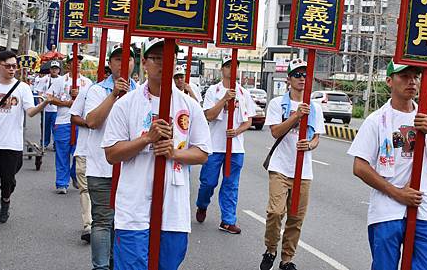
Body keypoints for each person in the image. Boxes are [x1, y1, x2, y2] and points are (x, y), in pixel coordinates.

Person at [102, 37, 212, 270]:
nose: (164, 64)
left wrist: (174, 153)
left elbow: (202, 152)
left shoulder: (189, 105)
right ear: (145, 62)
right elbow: (111, 154)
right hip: (134, 206)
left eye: (170, 58)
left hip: (173, 208)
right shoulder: (127, 104)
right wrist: (146, 139)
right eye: (157, 58)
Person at [347, 61, 427, 270]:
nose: (411, 81)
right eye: (404, 76)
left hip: (424, 209)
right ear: (389, 81)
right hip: (387, 210)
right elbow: (360, 166)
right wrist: (397, 193)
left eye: (415, 77)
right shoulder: (376, 120)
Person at [0, 50, 49, 233]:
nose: (12, 69)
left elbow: (30, 112)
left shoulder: (23, 88)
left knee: (8, 181)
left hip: (12, 144)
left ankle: (6, 200)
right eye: (8, 66)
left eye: (15, 66)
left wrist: (44, 103)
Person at [259, 58, 325, 270]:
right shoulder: (277, 103)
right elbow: (275, 131)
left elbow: (316, 137)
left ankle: (287, 259)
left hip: (304, 171)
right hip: (280, 167)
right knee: (276, 212)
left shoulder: (315, 107)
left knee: (296, 217)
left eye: (306, 75)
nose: (302, 79)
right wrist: (296, 116)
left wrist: (310, 145)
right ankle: (270, 248)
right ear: (288, 79)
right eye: (297, 75)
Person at [84, 43, 136, 270]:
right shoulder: (96, 90)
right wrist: (114, 94)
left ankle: (117, 263)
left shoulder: (141, 92)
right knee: (103, 221)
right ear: (110, 63)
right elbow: (92, 122)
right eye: (118, 59)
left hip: (132, 170)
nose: (124, 64)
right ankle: (101, 267)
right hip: (102, 167)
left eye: (129, 59)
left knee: (125, 223)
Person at [195, 55, 255, 234]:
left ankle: (228, 220)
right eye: (228, 66)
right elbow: (208, 115)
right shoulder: (214, 90)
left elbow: (249, 121)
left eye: (235, 66)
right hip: (214, 146)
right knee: (208, 182)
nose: (231, 69)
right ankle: (202, 204)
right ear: (222, 69)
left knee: (231, 185)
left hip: (235, 148)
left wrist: (237, 131)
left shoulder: (244, 93)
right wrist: (224, 100)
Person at [47, 54, 92, 194]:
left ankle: (74, 174)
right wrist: (66, 103)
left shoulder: (88, 82)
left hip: (80, 122)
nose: (77, 64)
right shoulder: (60, 81)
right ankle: (62, 182)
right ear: (68, 65)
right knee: (62, 153)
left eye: (79, 61)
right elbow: (49, 97)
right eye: (74, 62)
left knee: (79, 153)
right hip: (63, 121)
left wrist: (79, 97)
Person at [69, 78, 94, 243]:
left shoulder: (131, 92)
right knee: (85, 189)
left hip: (113, 152)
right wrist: (90, 123)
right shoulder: (88, 92)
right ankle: (89, 224)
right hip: (85, 150)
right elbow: (74, 117)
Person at [36, 60, 63, 150]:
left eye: (56, 69)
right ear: (50, 69)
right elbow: (39, 92)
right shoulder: (44, 79)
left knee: (56, 128)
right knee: (45, 127)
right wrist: (40, 105)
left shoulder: (62, 80)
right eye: (53, 68)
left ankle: (56, 144)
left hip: (56, 109)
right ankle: (44, 142)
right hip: (46, 109)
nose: (54, 70)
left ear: (59, 70)